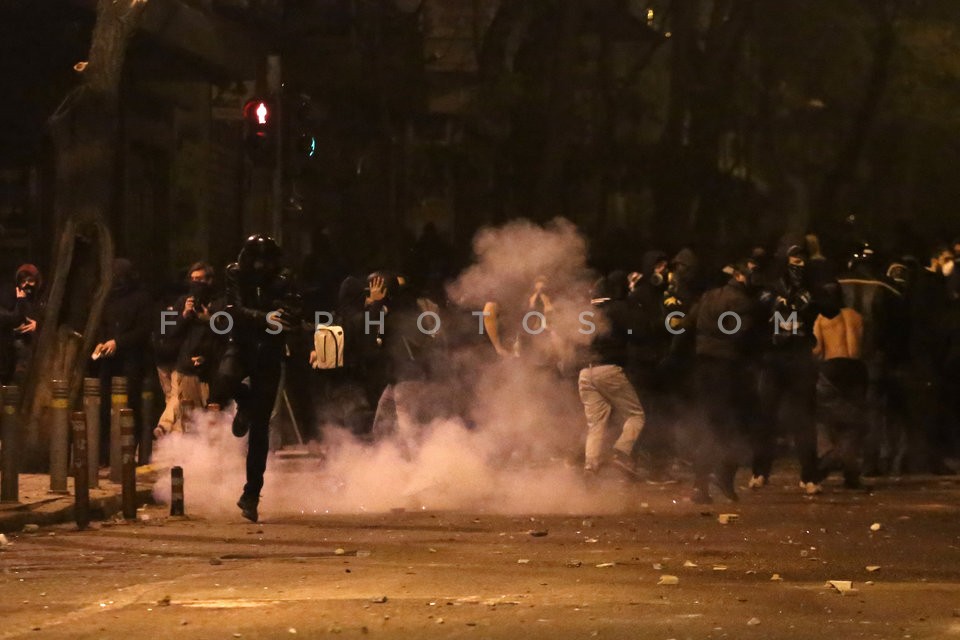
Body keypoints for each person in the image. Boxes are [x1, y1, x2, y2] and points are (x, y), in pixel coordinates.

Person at [210, 235, 298, 523]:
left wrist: (287, 315)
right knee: (224, 381)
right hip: (241, 344)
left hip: (269, 352)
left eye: (265, 261)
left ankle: (251, 494)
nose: (260, 266)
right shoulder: (234, 273)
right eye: (256, 260)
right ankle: (244, 402)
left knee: (260, 428)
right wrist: (265, 318)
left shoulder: (284, 278)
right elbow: (234, 310)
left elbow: (294, 310)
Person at [685, 260, 762, 503]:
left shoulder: (708, 296)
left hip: (703, 368)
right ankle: (725, 476)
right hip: (728, 370)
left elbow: (687, 323)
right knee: (736, 427)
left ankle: (700, 485)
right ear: (740, 277)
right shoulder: (744, 302)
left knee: (710, 425)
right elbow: (742, 336)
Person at [578, 271, 647, 478]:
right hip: (608, 369)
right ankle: (621, 453)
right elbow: (637, 332)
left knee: (595, 424)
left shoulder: (587, 310)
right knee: (636, 416)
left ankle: (590, 467)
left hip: (585, 372)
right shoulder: (617, 308)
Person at [95, 259, 154, 466]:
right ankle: (106, 454)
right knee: (104, 406)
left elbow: (144, 329)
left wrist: (118, 342)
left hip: (131, 360)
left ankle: (129, 453)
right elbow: (102, 325)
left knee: (130, 406)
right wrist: (101, 342)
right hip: (109, 360)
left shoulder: (141, 298)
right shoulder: (107, 297)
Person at [812, 291, 867, 488]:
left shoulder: (820, 318)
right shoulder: (856, 316)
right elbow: (858, 347)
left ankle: (829, 458)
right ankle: (851, 474)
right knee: (854, 422)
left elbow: (817, 349)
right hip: (856, 369)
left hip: (831, 369)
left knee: (824, 417)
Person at [0, 264, 42, 385]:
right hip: (13, 345)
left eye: (30, 281)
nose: (26, 285)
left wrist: (38, 325)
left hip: (35, 346)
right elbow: (13, 318)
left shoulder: (41, 299)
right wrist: (20, 301)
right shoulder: (12, 298)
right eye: (23, 282)